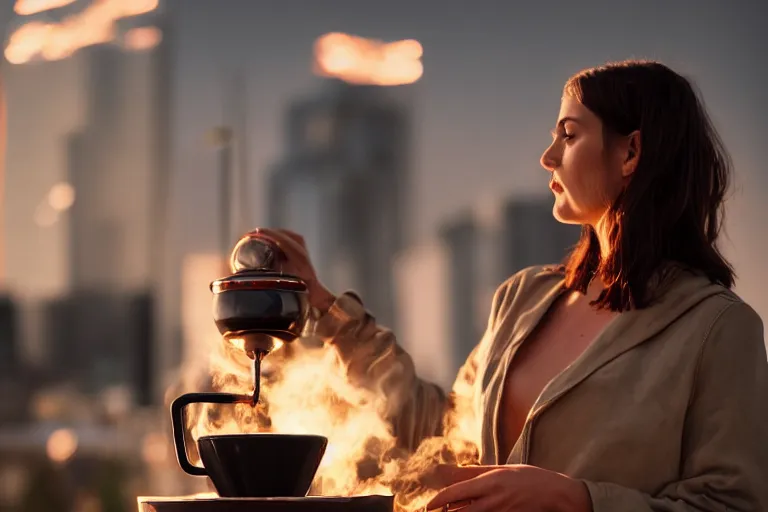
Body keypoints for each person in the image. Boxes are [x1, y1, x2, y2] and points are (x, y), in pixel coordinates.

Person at [253, 60, 768, 512]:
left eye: (569, 135)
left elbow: (731, 503)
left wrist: (576, 500)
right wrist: (322, 304)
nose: (548, 157)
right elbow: (440, 433)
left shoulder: (717, 328)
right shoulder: (524, 299)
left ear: (631, 152)